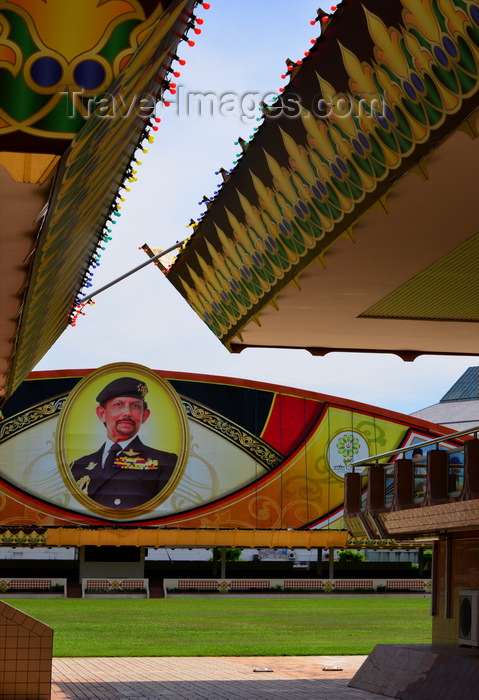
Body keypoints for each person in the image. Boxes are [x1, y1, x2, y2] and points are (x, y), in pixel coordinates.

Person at [70, 377, 177, 509]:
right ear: (102, 413)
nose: (127, 413)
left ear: (144, 416)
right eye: (118, 404)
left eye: (135, 406)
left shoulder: (165, 463)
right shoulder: (77, 466)